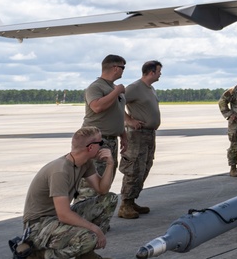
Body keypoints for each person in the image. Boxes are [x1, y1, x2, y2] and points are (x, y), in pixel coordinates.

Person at [21, 126, 119, 259]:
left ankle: (86, 254)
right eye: (100, 143)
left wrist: (110, 164)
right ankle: (39, 255)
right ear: (90, 148)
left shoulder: (85, 163)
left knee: (109, 199)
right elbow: (64, 215)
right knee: (89, 237)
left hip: (56, 218)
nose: (103, 147)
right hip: (39, 226)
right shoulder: (60, 171)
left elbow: (102, 190)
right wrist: (96, 229)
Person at [118, 60, 162, 220]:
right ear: (151, 72)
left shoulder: (150, 89)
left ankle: (132, 200)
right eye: (159, 71)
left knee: (145, 167)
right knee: (134, 167)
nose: (160, 74)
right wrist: (129, 120)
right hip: (137, 135)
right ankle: (125, 205)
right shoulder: (135, 87)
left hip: (149, 135)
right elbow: (117, 104)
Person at [82, 54, 128, 175]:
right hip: (98, 140)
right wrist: (117, 91)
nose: (123, 71)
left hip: (111, 140)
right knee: (95, 177)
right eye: (123, 67)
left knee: (108, 176)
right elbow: (97, 107)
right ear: (115, 68)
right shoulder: (96, 87)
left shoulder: (113, 87)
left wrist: (123, 135)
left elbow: (117, 113)